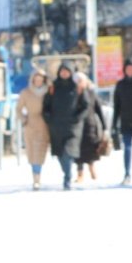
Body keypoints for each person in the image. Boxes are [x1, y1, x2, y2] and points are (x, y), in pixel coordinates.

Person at [41, 61, 88, 190]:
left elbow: (85, 106)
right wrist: (48, 118)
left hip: (72, 127)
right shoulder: (53, 88)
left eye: (67, 71)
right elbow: (46, 106)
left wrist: (77, 118)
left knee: (68, 151)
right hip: (56, 127)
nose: (64, 73)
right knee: (60, 154)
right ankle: (66, 172)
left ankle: (67, 178)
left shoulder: (77, 88)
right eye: (62, 71)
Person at [17, 68, 51, 189]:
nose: (38, 82)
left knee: (40, 152)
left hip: (45, 125)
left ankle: (38, 175)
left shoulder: (48, 92)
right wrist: (24, 119)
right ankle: (35, 178)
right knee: (32, 152)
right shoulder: (25, 93)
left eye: (41, 80)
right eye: (36, 79)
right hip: (31, 125)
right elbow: (18, 109)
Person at [72, 72, 108, 183]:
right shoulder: (72, 94)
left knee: (91, 149)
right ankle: (80, 173)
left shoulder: (91, 93)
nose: (79, 83)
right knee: (78, 150)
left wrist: (104, 125)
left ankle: (92, 169)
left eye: (81, 81)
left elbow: (98, 110)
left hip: (90, 125)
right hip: (77, 125)